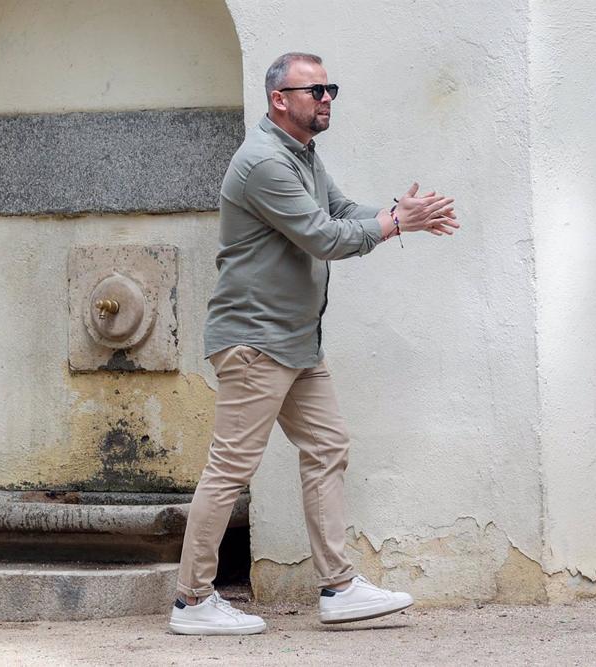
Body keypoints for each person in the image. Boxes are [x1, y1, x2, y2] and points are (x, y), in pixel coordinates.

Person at [168, 52, 459, 636]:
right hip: (255, 339)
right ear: (280, 99)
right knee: (230, 469)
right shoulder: (262, 164)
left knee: (328, 447)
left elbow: (343, 211)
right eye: (314, 90)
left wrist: (395, 214)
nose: (326, 98)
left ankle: (339, 587)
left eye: (330, 88)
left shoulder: (301, 155)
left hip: (295, 341)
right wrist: (396, 225)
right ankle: (192, 601)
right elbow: (324, 237)